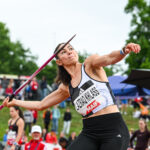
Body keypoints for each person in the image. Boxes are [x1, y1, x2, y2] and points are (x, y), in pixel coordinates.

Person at [3, 42, 141, 150]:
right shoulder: (66, 87)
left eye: (71, 48)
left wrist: (124, 51)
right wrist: (15, 102)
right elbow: (40, 105)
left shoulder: (90, 65)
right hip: (90, 131)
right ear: (59, 61)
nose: (69, 52)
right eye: (64, 52)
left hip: (113, 128)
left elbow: (110, 58)